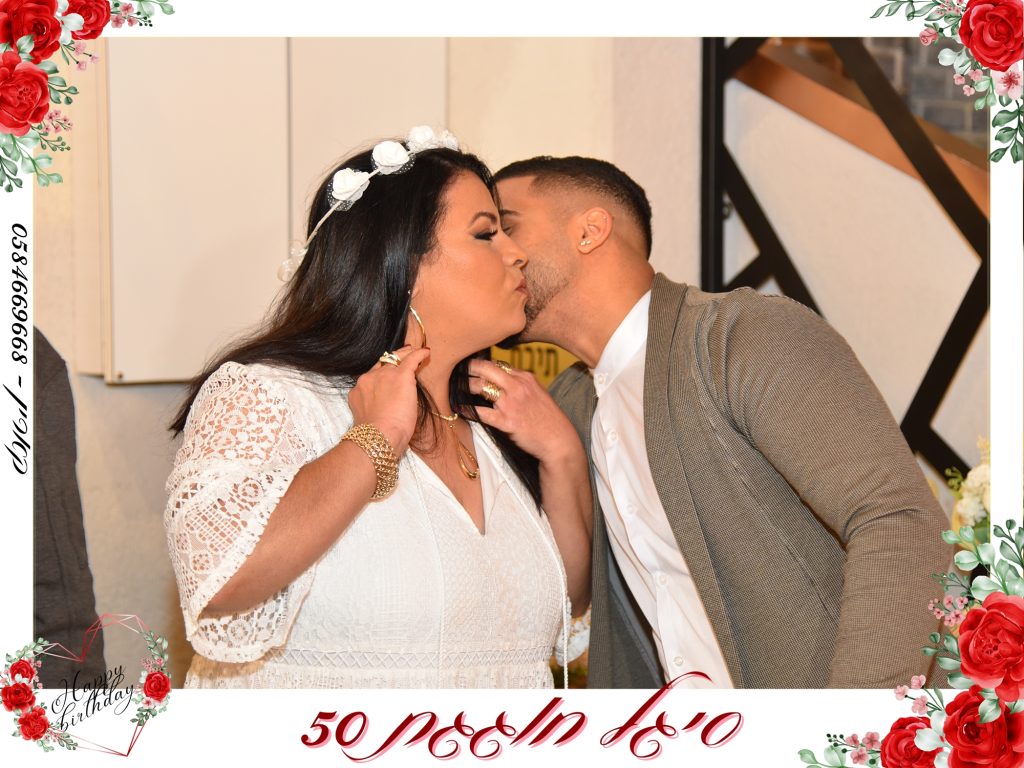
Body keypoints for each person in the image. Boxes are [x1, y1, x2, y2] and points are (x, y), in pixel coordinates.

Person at [492, 155, 951, 689]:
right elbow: (563, 600)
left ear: (590, 231)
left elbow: (899, 521)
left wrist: (848, 727)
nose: (498, 253)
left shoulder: (743, 336)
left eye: (507, 227)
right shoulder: (567, 405)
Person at [163, 128, 592, 688]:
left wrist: (562, 455)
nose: (517, 254)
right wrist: (376, 440)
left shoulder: (493, 421)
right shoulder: (270, 395)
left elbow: (561, 609)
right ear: (402, 262)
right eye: (486, 233)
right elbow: (218, 580)